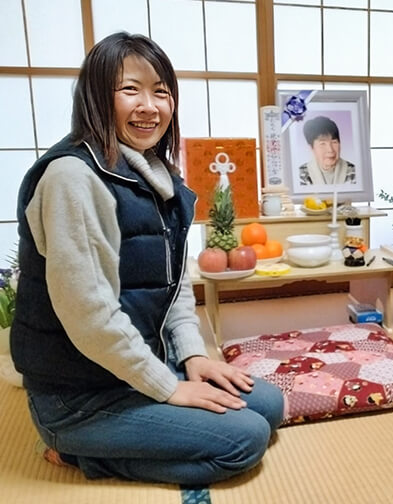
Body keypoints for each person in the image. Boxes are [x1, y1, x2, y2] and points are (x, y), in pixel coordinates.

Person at [10, 32, 284, 485]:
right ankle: (80, 453)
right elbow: (90, 317)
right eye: (130, 89)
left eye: (161, 91)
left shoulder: (156, 174)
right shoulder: (72, 178)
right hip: (78, 396)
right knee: (244, 440)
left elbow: (174, 284)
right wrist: (169, 387)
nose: (149, 106)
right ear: (97, 96)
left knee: (268, 406)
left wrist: (192, 357)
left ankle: (145, 410)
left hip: (131, 369)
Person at [298, 115, 356, 185]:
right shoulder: (300, 175)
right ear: (311, 148)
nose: (330, 150)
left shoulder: (354, 172)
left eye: (334, 142)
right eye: (323, 143)